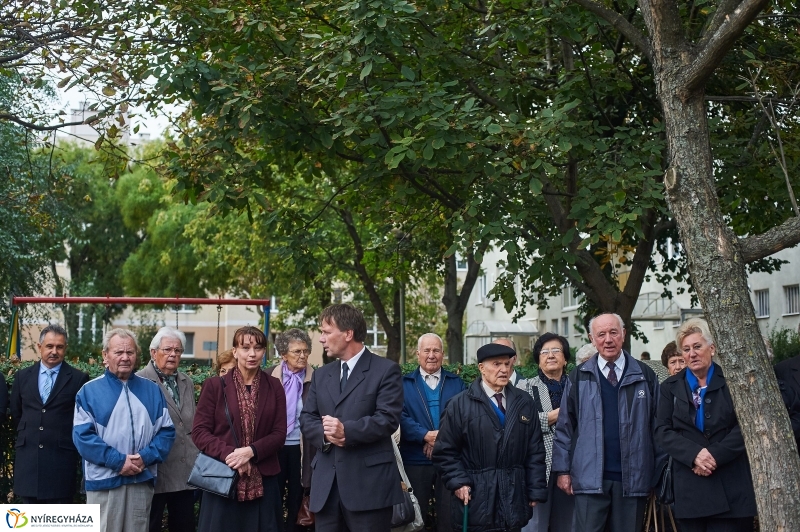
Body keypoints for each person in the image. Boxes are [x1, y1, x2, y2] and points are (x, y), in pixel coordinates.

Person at [299, 304, 404, 532]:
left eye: (326, 332)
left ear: (348, 334)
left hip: (369, 488)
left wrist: (346, 432)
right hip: (326, 489)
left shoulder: (386, 370)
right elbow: (307, 417)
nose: (321, 338)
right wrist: (326, 435)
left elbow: (387, 419)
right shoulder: (321, 375)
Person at [551, 313, 659, 532]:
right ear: (592, 339)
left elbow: (658, 427)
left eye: (613, 332)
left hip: (633, 479)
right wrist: (562, 471)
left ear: (623, 334)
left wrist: (657, 474)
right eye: (601, 334)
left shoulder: (645, 375)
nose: (608, 339)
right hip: (589, 480)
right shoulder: (579, 377)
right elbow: (565, 428)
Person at [654, 318, 757, 531]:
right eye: (686, 349)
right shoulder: (669, 387)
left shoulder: (733, 381)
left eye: (697, 347)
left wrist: (714, 456)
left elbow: (746, 425)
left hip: (731, 486)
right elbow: (662, 430)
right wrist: (695, 455)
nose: (692, 354)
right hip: (690, 488)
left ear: (712, 348)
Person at [433, 343, 548, 532]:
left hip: (513, 498)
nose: (504, 369)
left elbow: (535, 450)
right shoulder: (459, 405)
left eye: (507, 364)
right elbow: (444, 451)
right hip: (477, 499)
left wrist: (535, 488)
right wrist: (459, 482)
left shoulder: (525, 402)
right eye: (496, 364)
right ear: (481, 368)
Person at [73, 328, 176, 532]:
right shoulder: (89, 391)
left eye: (130, 352)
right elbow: (83, 438)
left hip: (141, 480)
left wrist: (145, 458)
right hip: (104, 483)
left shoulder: (152, 390)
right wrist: (118, 462)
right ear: (105, 355)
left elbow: (166, 432)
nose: (125, 357)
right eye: (118, 352)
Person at [192, 326, 287, 532]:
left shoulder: (274, 386)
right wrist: (234, 456)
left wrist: (251, 451)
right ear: (235, 351)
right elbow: (200, 432)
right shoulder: (215, 386)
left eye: (258, 348)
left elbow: (279, 434)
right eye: (245, 348)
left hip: (264, 480)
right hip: (223, 477)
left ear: (264, 352)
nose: (252, 354)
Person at [11, 324, 89, 503]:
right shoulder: (22, 377)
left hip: (60, 464)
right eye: (49, 346)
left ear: (65, 348)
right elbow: (17, 413)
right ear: (40, 347)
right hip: (28, 463)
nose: (54, 351)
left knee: (57, 517)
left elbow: (81, 419)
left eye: (59, 347)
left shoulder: (78, 379)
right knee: (29, 518)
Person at [399, 333, 466, 530]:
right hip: (415, 459)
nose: (431, 355)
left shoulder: (456, 383)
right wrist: (424, 436)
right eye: (426, 350)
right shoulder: (403, 384)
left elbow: (464, 416)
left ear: (443, 354)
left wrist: (439, 440)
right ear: (417, 353)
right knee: (414, 516)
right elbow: (399, 416)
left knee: (448, 518)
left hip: (449, 460)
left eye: (436, 350)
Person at [136, 327, 200, 532]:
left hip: (184, 469)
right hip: (155, 468)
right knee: (150, 524)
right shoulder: (139, 381)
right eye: (168, 350)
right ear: (153, 352)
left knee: (184, 525)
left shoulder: (186, 381)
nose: (173, 354)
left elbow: (190, 421)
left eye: (178, 350)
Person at [520, 333, 574, 532]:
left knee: (569, 524)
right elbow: (521, 423)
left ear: (565, 359)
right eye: (544, 352)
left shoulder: (577, 386)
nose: (550, 355)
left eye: (556, 351)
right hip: (538, 466)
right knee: (535, 525)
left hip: (572, 465)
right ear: (538, 360)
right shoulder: (525, 387)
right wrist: (559, 414)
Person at [267, 328, 316, 532]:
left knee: (298, 496)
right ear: (283, 354)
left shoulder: (317, 378)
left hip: (303, 448)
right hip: (274, 447)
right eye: (297, 351)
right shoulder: (268, 376)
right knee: (273, 495)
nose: (302, 356)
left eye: (305, 351)